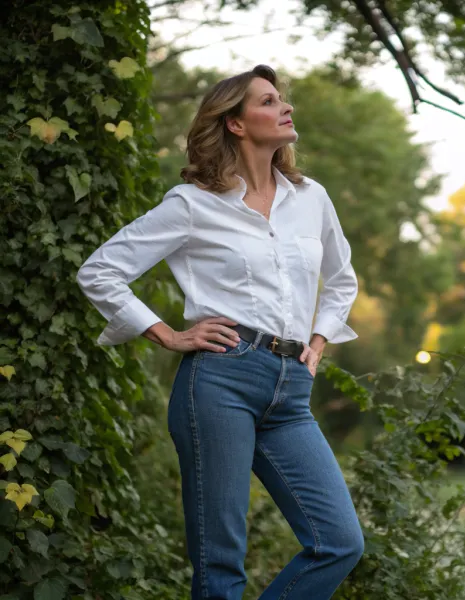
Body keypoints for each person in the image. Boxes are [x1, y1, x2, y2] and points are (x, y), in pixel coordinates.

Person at [76, 65, 364, 600]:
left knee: (340, 542)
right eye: (269, 101)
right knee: (220, 561)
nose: (286, 107)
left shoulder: (310, 197)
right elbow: (100, 270)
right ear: (234, 123)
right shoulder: (192, 204)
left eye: (284, 99)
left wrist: (319, 342)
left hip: (292, 387)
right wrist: (166, 334)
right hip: (221, 381)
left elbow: (342, 280)